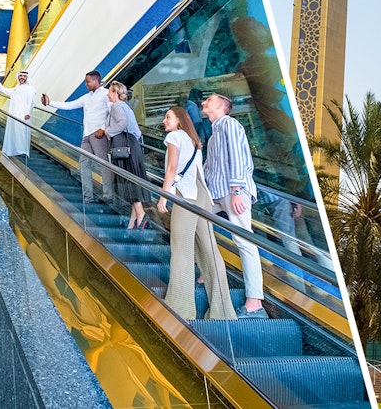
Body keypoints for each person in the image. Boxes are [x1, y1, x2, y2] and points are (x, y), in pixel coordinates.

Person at [156, 107, 236, 320]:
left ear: (179, 120)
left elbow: (171, 169)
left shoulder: (174, 136)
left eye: (168, 117)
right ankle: (223, 312)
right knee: (210, 250)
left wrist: (164, 196)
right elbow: (198, 172)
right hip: (202, 196)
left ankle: (180, 307)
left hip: (186, 194)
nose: (165, 121)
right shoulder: (194, 141)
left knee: (181, 248)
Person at [202, 92, 266, 318]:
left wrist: (237, 191)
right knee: (196, 222)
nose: (203, 103)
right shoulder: (213, 134)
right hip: (217, 194)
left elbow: (239, 157)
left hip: (233, 192)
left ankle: (255, 302)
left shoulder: (230, 125)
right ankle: (207, 273)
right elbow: (209, 169)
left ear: (220, 106)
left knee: (244, 241)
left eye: (208, 101)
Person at [41, 70, 112, 204]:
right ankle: (88, 197)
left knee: (104, 165)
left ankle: (108, 195)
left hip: (99, 135)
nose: (86, 84)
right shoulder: (86, 97)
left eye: (88, 82)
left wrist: (103, 128)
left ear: (96, 80)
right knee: (83, 164)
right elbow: (69, 105)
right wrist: (50, 103)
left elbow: (112, 112)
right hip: (86, 135)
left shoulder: (106, 94)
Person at [106, 81, 148, 228]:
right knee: (133, 180)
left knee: (128, 181)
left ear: (116, 93)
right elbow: (137, 131)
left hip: (124, 148)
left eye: (110, 92)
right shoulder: (126, 107)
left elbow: (122, 124)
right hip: (133, 146)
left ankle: (141, 215)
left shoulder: (116, 106)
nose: (108, 94)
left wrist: (108, 131)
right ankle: (132, 223)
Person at [0, 70, 36, 158]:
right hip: (14, 114)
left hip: (24, 116)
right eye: (21, 75)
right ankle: (14, 150)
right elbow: (4, 90)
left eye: (24, 76)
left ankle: (22, 151)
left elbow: (30, 102)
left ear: (27, 78)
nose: (22, 77)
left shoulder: (30, 89)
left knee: (22, 133)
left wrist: (27, 113)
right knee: (14, 133)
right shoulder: (16, 88)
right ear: (18, 77)